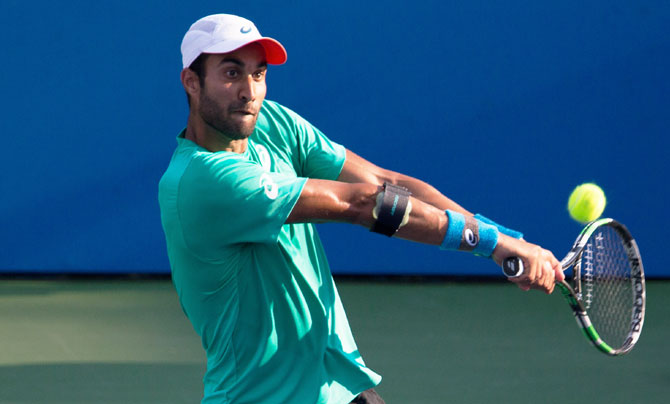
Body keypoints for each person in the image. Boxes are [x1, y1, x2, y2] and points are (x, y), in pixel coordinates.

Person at [158, 13, 564, 404]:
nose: (250, 91)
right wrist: (489, 243)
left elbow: (384, 183)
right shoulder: (202, 180)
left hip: (339, 387)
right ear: (192, 83)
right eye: (232, 74)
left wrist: (503, 238)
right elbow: (362, 203)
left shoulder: (272, 124)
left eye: (259, 73)